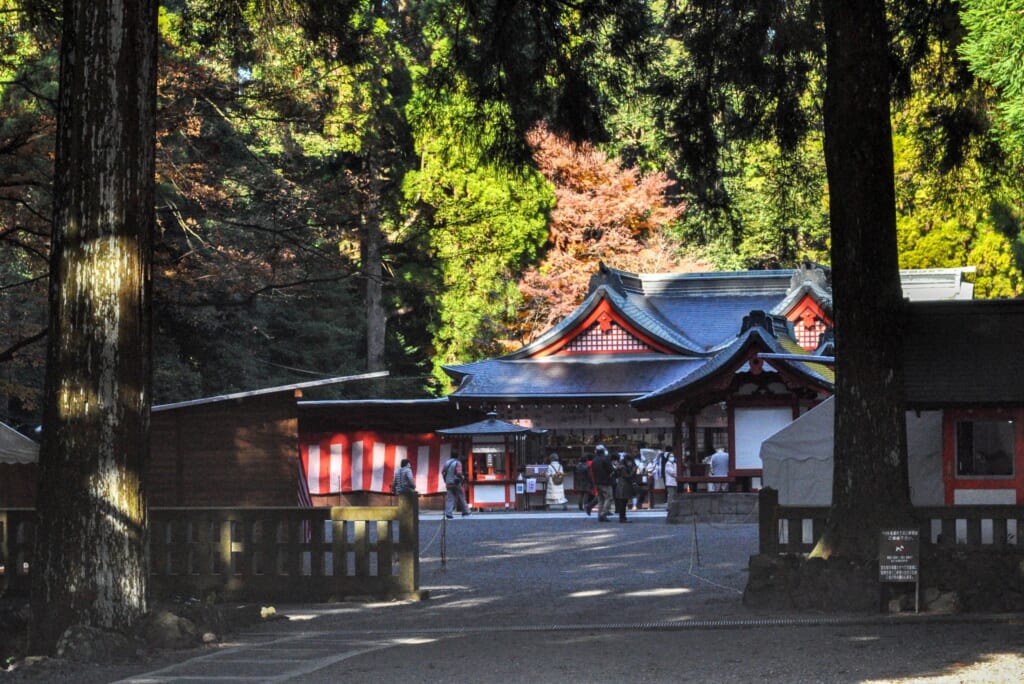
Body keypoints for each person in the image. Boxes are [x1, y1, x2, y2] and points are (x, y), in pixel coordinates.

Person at [591, 445, 615, 522]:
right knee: (609, 498)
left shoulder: (594, 460)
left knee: (601, 499)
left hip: (597, 482)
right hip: (606, 482)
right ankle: (603, 514)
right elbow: (611, 469)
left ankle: (599, 514)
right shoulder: (605, 459)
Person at [442, 454, 470, 518]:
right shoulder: (458, 463)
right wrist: (463, 478)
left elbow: (443, 472)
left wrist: (445, 480)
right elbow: (459, 473)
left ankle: (449, 513)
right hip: (456, 482)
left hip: (448, 483)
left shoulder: (447, 463)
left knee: (450, 498)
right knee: (461, 496)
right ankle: (465, 511)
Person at [613, 453, 637, 523]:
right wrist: (633, 470)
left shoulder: (622, 467)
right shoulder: (623, 468)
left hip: (623, 486)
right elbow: (627, 476)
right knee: (623, 504)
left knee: (623, 503)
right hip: (623, 487)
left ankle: (623, 517)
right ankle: (622, 518)